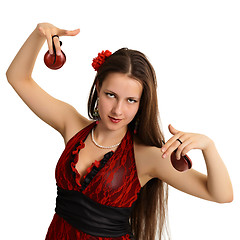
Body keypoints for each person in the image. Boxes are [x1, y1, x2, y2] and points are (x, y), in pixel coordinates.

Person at [6, 22, 233, 240]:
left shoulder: (145, 156)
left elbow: (221, 195)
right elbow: (17, 78)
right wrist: (39, 34)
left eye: (131, 100)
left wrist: (208, 146)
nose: (118, 110)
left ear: (142, 103)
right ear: (98, 87)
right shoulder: (72, 125)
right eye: (111, 95)